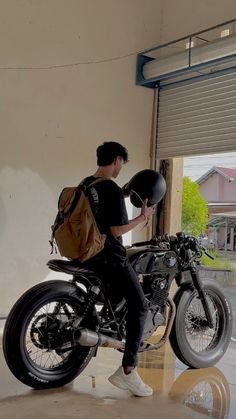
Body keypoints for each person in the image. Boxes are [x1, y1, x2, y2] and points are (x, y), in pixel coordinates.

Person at [83, 141, 155, 397]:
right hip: (109, 257)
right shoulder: (110, 189)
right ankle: (128, 371)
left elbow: (98, 213)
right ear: (116, 160)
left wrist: (125, 195)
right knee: (140, 305)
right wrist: (142, 218)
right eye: (122, 163)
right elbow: (115, 229)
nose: (121, 168)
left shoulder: (86, 184)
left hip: (86, 255)